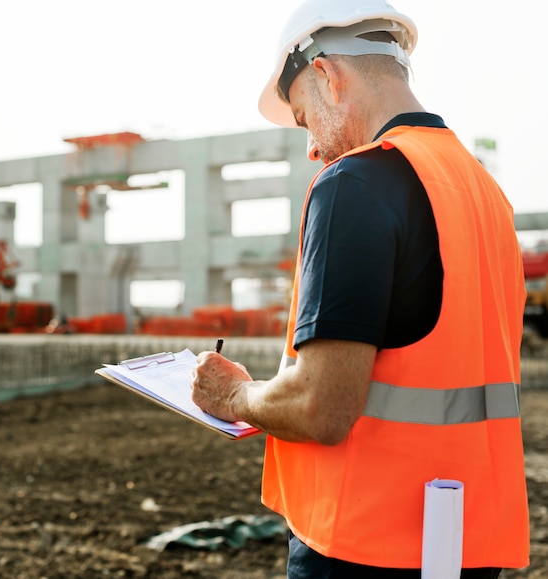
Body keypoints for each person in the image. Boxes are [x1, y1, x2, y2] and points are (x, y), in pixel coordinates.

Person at [191, 0, 530, 577]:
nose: (313, 150)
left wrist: (233, 398)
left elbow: (322, 407)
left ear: (326, 75)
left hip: (364, 546)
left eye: (303, 119)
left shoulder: (354, 182)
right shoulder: (483, 192)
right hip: (465, 542)